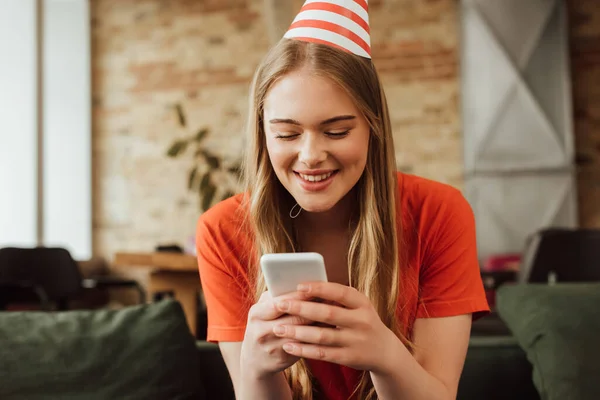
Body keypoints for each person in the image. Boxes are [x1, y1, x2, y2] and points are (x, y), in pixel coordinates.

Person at [196, 1, 490, 399]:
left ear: (373, 128)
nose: (311, 155)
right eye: (286, 134)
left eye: (336, 132)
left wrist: (384, 355)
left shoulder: (438, 213)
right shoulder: (223, 230)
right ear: (263, 135)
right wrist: (257, 367)